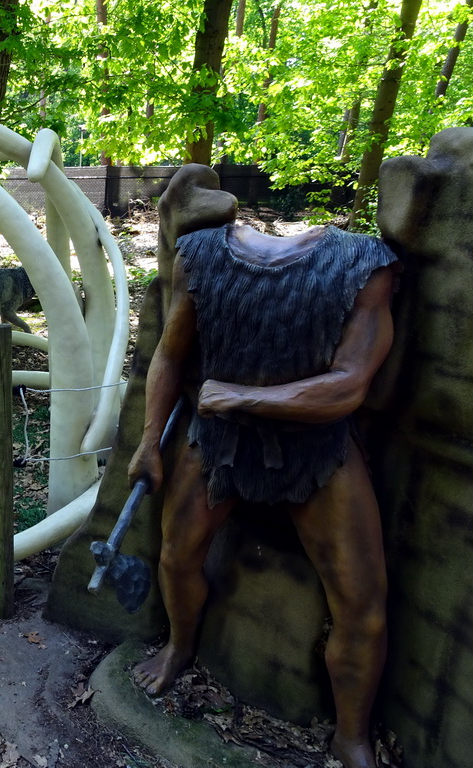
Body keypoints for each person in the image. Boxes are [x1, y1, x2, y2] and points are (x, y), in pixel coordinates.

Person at [127, 222, 397, 768]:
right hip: (217, 442)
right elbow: (171, 354)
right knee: (176, 556)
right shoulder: (200, 256)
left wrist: (243, 396)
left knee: (363, 604)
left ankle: (351, 734)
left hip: (318, 449)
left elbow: (350, 382)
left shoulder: (366, 264)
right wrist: (149, 442)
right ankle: (180, 645)